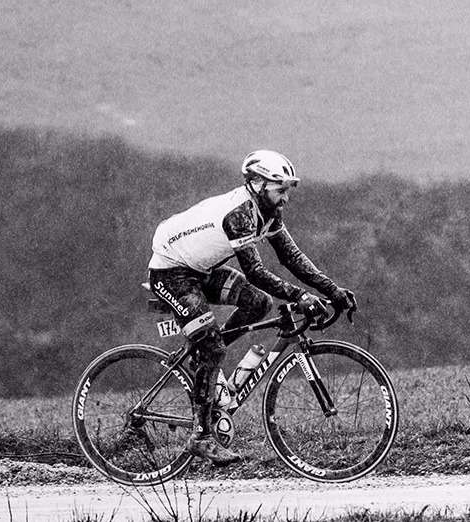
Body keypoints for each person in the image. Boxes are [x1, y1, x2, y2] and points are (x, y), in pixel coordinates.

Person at [146, 150, 358, 466]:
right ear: (257, 184)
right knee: (215, 349)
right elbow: (256, 272)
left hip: (200, 270)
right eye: (280, 189)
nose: (285, 197)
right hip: (172, 274)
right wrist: (300, 297)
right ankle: (201, 437)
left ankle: (205, 355)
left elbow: (291, 258)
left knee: (259, 303)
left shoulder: (269, 212)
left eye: (287, 190)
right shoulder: (240, 214)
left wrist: (333, 290)